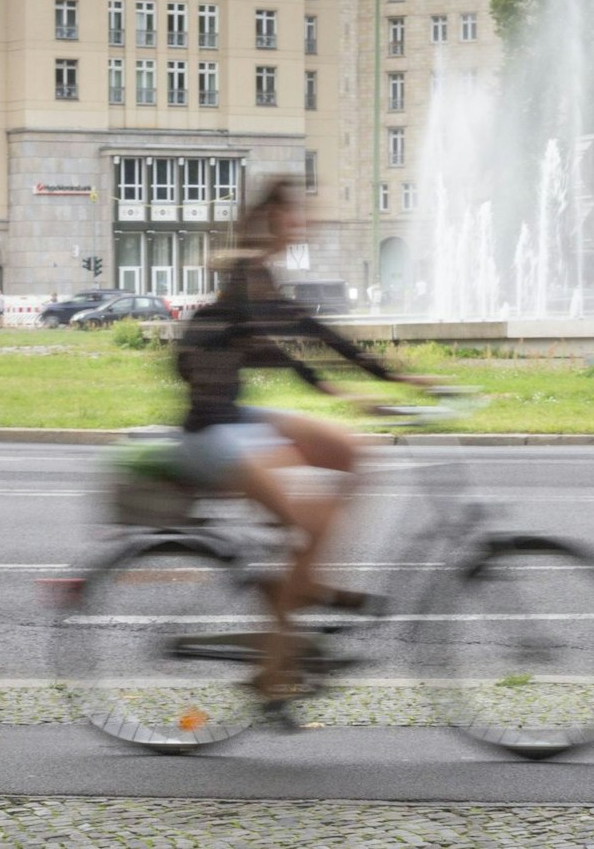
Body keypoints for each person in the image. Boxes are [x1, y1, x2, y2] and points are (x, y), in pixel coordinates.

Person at [172, 178, 433, 706]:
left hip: (236, 415)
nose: (306, 223)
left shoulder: (261, 273)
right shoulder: (246, 272)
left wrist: (393, 377)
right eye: (298, 215)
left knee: (355, 451)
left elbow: (311, 330)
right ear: (275, 218)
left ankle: (303, 576)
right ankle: (272, 672)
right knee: (317, 520)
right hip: (211, 430)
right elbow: (289, 348)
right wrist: (347, 390)